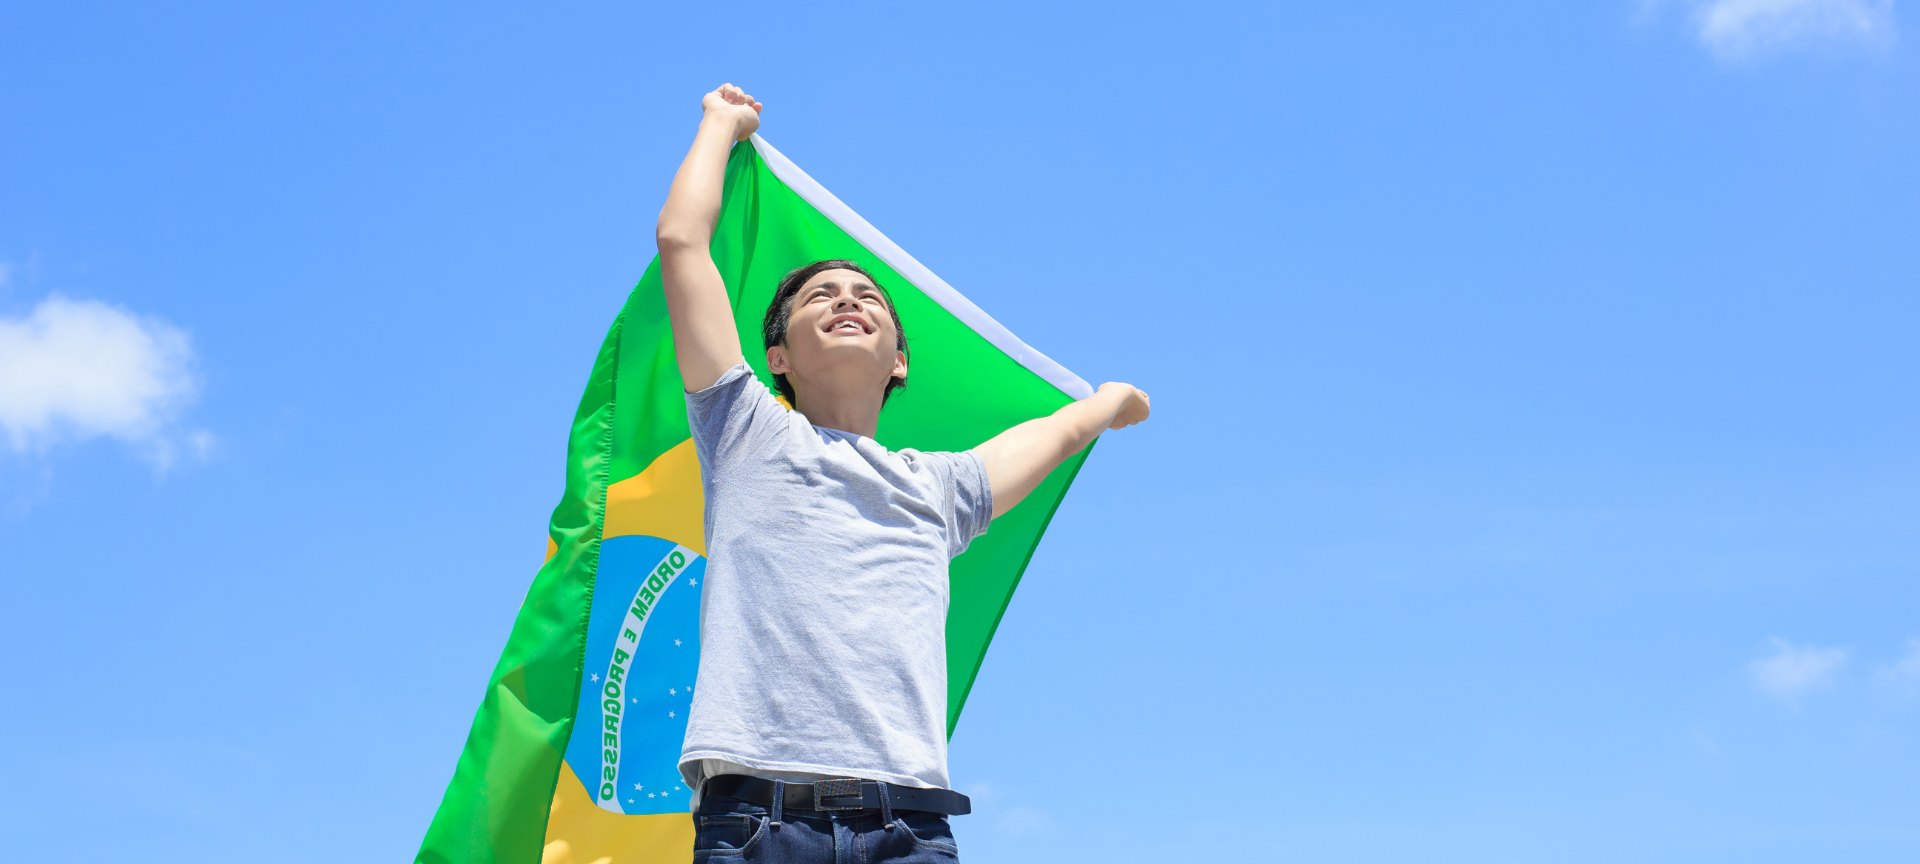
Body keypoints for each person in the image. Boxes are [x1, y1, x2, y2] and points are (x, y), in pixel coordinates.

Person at [655, 83, 1151, 863]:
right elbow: (684, 243)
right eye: (820, 295)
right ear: (775, 357)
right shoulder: (745, 431)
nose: (847, 300)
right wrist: (719, 126)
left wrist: (1108, 404)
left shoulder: (938, 489)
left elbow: (1054, 435)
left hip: (910, 829)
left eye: (867, 297)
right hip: (757, 822)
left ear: (900, 360)